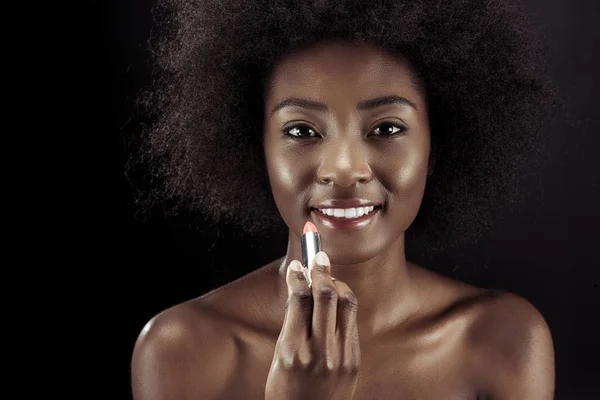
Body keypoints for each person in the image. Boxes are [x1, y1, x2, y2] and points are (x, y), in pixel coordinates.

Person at [130, 0, 556, 398]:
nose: (344, 169)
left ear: (436, 147)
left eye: (387, 129)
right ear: (253, 146)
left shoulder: (504, 343)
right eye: (301, 131)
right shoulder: (180, 351)